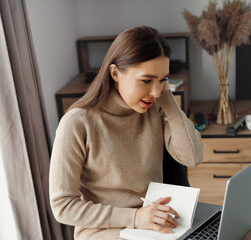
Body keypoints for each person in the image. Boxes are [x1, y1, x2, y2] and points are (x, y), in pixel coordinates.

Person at [49, 26, 204, 240]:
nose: (156, 91)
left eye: (163, 79)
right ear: (115, 73)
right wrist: (135, 217)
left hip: (154, 225)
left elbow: (193, 157)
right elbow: (63, 206)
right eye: (147, 80)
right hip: (104, 232)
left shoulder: (155, 107)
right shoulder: (77, 123)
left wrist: (167, 100)